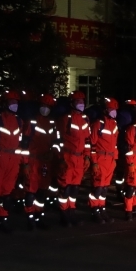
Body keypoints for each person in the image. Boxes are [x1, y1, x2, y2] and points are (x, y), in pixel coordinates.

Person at [0, 90, 25, 234]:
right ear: (5, 104)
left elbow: (20, 145)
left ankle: (3, 220)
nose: (15, 105)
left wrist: (20, 163)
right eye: (12, 102)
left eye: (16, 102)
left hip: (12, 161)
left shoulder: (19, 121)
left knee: (7, 194)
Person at [20, 93, 58, 230]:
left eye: (48, 106)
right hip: (33, 161)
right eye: (43, 105)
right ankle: (30, 219)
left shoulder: (52, 123)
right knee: (31, 192)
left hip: (45, 162)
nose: (45, 108)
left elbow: (55, 142)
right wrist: (25, 164)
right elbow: (24, 144)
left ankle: (38, 217)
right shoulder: (32, 122)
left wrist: (53, 153)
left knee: (42, 191)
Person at [55, 91, 92, 227]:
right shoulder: (65, 119)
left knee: (75, 188)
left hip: (79, 158)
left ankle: (72, 212)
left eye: (82, 102)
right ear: (72, 103)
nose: (81, 104)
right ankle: (64, 214)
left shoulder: (85, 119)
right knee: (65, 188)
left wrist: (87, 156)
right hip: (67, 157)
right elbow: (58, 140)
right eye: (78, 102)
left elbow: (87, 140)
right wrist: (61, 158)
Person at [88, 97, 119, 224]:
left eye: (115, 109)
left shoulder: (114, 124)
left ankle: (102, 208)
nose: (114, 111)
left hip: (110, 160)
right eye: (111, 109)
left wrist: (115, 159)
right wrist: (94, 162)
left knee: (105, 187)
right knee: (98, 186)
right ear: (105, 110)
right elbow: (92, 145)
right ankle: (94, 210)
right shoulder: (98, 124)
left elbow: (115, 144)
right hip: (100, 159)